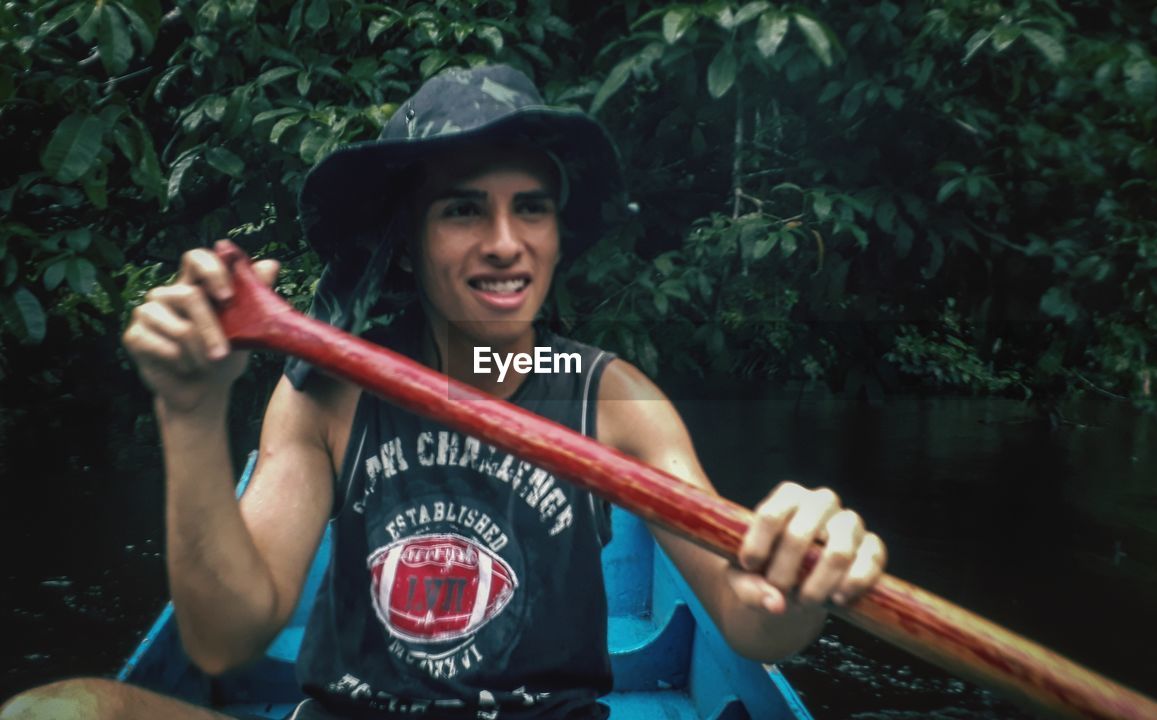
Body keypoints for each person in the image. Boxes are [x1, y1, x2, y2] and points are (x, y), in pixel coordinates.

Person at [1, 65, 885, 720]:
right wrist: (189, 413)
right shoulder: (324, 394)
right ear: (411, 238)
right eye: (464, 210)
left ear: (557, 232)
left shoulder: (613, 397)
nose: (507, 242)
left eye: (531, 208)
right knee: (65, 710)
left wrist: (791, 592)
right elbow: (224, 641)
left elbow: (745, 617)